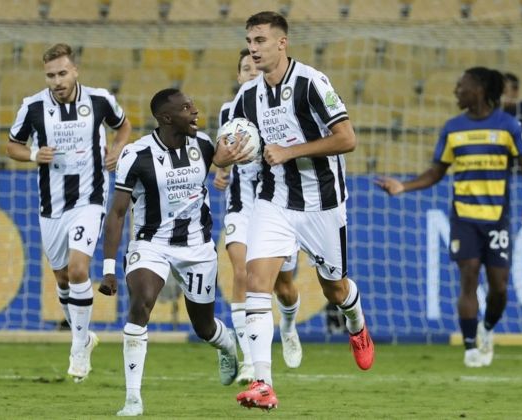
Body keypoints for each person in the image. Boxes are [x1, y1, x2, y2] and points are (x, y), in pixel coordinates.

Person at [219, 11, 375, 410]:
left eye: (260, 41)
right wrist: (226, 157)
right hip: (275, 201)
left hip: (322, 203)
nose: (253, 49)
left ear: (281, 43)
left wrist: (290, 151)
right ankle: (263, 383)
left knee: (335, 288)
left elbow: (347, 139)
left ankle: (356, 324)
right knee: (256, 279)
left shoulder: (311, 83)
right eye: (249, 42)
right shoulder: (247, 96)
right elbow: (232, 148)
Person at [99, 88, 251, 416]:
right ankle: (132, 399)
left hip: (197, 248)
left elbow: (225, 161)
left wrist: (238, 153)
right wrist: (109, 267)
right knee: (140, 305)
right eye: (186, 108)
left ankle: (226, 347)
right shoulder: (135, 155)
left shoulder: (204, 144)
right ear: (167, 118)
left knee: (204, 327)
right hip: (150, 244)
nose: (195, 111)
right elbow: (117, 213)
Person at [376, 67, 522, 368]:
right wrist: (404, 186)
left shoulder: (508, 126)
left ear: (477, 89)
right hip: (463, 217)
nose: (456, 91)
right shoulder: (453, 128)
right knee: (469, 275)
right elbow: (436, 172)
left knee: (499, 287)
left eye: (460, 86)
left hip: (496, 218)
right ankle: (469, 347)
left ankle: (486, 329)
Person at [6, 43, 132, 382]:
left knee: (79, 270)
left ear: (75, 71)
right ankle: (85, 335)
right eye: (51, 75)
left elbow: (124, 126)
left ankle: (78, 345)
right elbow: (11, 145)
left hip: (90, 198)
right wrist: (33, 155)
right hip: (52, 205)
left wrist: (117, 149)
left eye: (63, 73)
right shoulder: (32, 107)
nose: (57, 80)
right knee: (62, 277)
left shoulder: (100, 100)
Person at [214, 48, 303, 385]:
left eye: (255, 68)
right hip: (241, 203)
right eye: (244, 69)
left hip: (277, 203)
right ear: (238, 77)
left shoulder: (279, 110)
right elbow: (219, 156)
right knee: (241, 273)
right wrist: (220, 169)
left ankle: (289, 326)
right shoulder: (229, 112)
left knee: (284, 286)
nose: (251, 73)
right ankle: (251, 360)